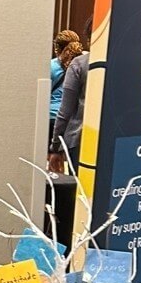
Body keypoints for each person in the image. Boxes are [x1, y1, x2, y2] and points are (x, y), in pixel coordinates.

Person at [48, 18, 93, 174]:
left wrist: (55, 147)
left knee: (79, 190)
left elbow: (65, 111)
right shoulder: (125, 64)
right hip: (113, 141)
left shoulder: (80, 64)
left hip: (80, 138)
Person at [48, 30, 83, 146]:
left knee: (52, 160)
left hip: (52, 120)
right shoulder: (82, 65)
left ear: (56, 48)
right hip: (74, 122)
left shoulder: (51, 67)